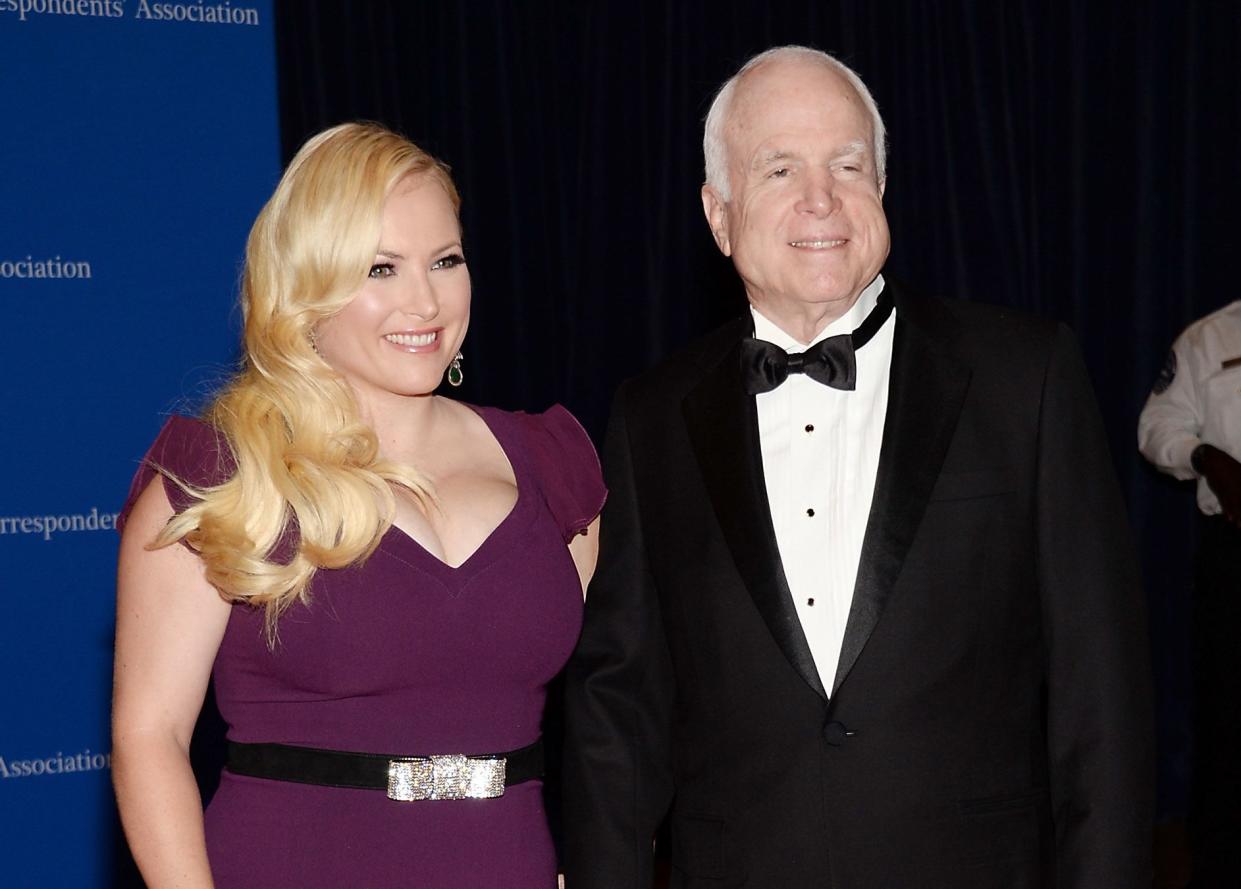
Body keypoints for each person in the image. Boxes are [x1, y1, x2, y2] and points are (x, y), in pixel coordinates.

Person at [563, 46, 1153, 888]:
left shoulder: (1027, 377)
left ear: (881, 185)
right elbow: (618, 717)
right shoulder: (651, 417)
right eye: (778, 169)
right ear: (716, 213)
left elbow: (1103, 698)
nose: (820, 198)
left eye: (847, 163)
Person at [111, 122, 605, 889]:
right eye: (381, 268)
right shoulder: (221, 474)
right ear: (307, 288)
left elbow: (603, 716)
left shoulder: (552, 463)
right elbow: (150, 736)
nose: (425, 299)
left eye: (446, 260)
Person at [1139, 300, 1241, 887]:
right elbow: (1157, 428)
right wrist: (1205, 456)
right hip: (1236, 553)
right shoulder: (1209, 338)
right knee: (1229, 725)